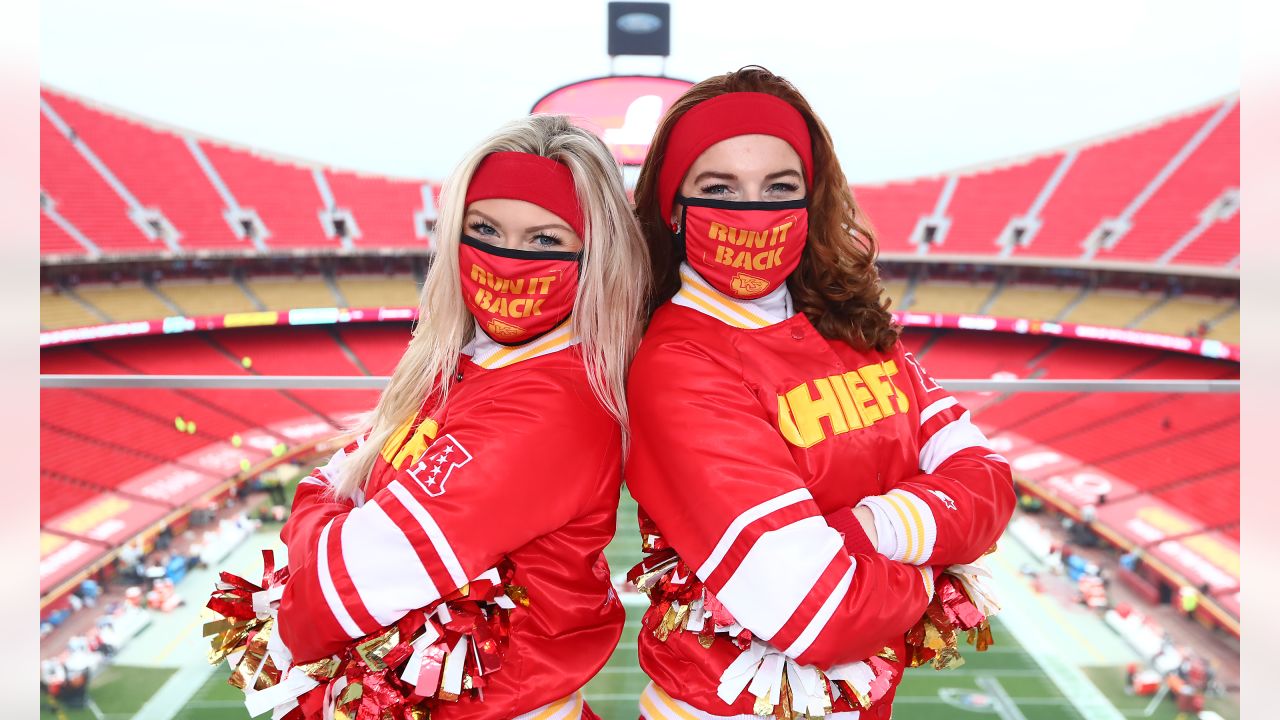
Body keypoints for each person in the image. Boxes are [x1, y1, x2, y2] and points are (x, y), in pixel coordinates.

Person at [212, 115, 649, 720]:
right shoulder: (465, 362)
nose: (507, 259)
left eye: (545, 241)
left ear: (595, 255)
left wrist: (320, 514)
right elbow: (338, 488)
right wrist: (331, 512)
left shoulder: (550, 405)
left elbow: (331, 592)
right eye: (484, 229)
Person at [624, 67, 1016, 719]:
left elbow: (993, 482)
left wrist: (867, 528)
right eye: (720, 188)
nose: (753, 213)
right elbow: (820, 610)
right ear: (672, 206)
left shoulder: (852, 323)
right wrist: (937, 562)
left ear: (810, 201)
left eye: (779, 188)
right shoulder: (677, 360)